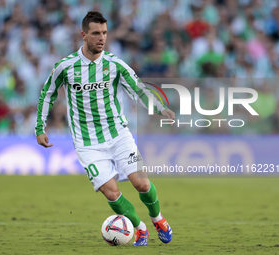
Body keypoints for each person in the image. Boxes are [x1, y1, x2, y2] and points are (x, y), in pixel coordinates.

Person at [35, 11, 175, 246]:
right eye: (96, 33)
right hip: (87, 143)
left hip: (118, 135)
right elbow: (46, 94)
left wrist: (160, 108)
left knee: (141, 183)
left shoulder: (115, 64)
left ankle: (158, 218)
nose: (102, 38)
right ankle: (140, 229)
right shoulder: (65, 67)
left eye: (105, 33)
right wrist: (40, 127)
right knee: (110, 192)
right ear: (83, 35)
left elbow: (138, 89)